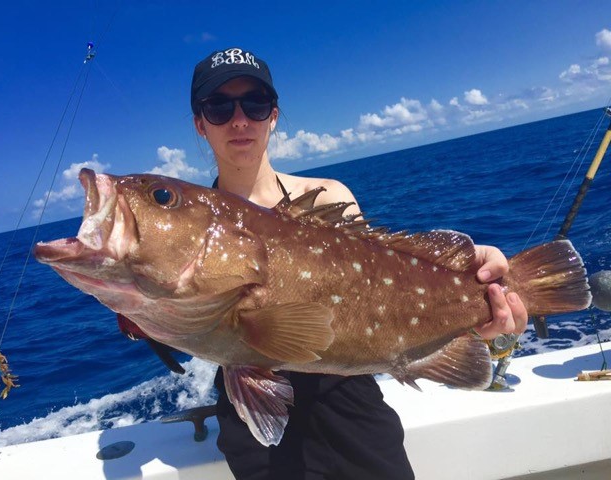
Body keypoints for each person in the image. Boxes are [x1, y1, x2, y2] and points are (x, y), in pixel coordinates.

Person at [186, 47, 529, 480]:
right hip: (253, 419)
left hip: (352, 405)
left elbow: (383, 295)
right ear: (200, 123)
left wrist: (476, 300)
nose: (239, 119)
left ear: (273, 115)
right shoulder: (190, 229)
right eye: (219, 106)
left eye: (254, 104)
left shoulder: (331, 197)